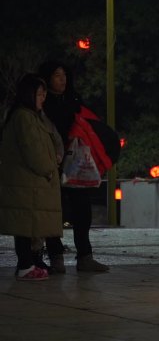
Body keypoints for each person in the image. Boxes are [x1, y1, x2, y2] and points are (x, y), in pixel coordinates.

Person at [39, 61, 109, 272]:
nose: (62, 79)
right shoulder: (43, 103)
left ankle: (85, 256)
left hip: (75, 162)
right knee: (53, 211)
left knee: (82, 209)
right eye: (57, 75)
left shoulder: (73, 99)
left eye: (64, 75)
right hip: (53, 162)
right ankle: (56, 257)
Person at [0, 74, 63, 281]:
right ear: (29, 95)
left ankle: (28, 264)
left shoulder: (29, 116)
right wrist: (49, 168)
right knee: (25, 226)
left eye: (44, 93)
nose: (43, 98)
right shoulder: (24, 117)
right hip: (28, 182)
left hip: (29, 183)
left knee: (28, 226)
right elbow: (33, 150)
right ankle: (25, 265)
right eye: (39, 94)